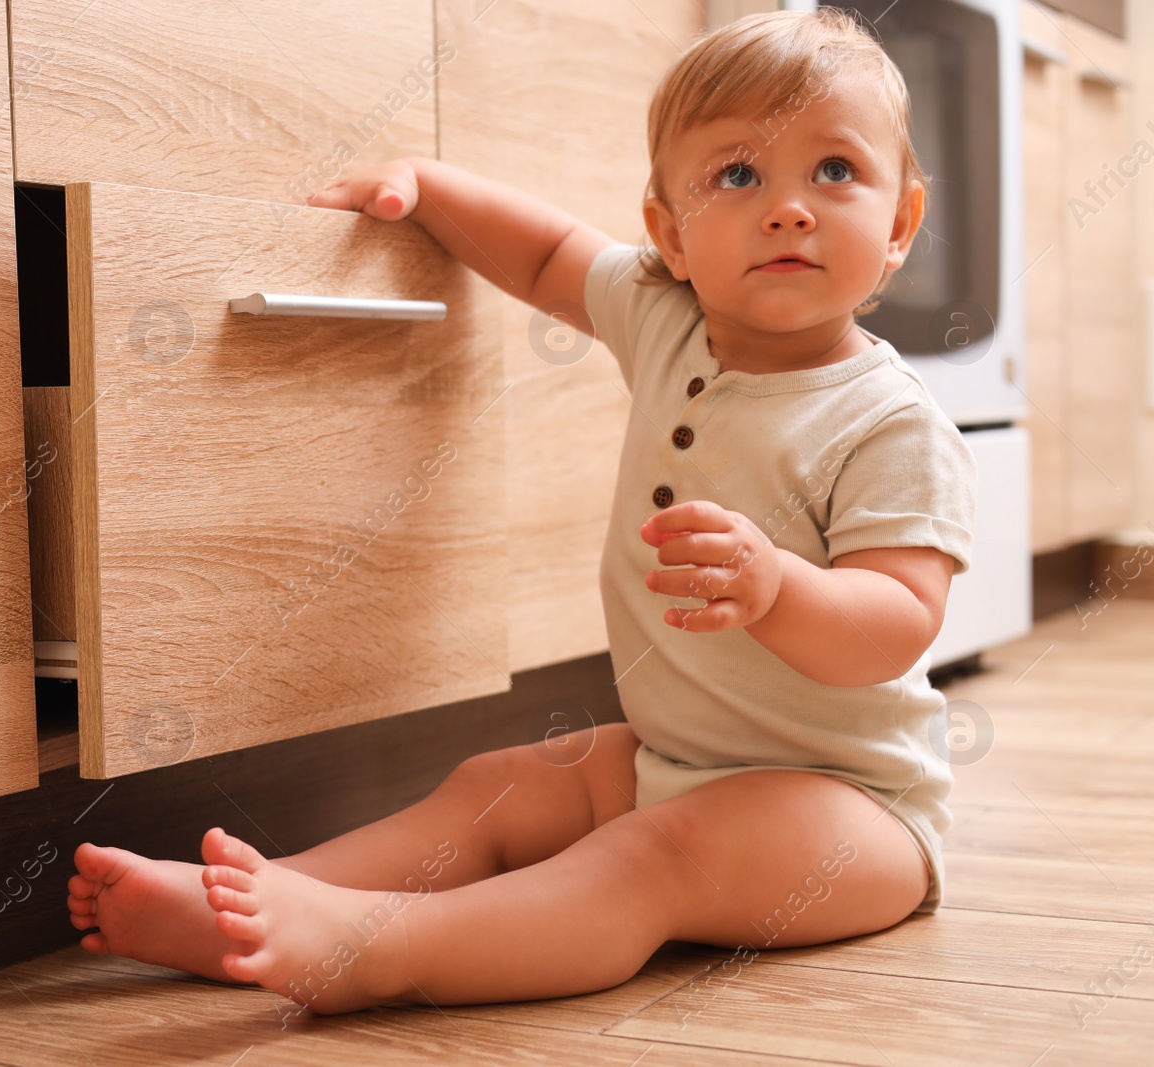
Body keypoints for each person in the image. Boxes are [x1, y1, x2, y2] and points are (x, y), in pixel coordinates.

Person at [66, 8, 975, 1016]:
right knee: (495, 782)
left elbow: (894, 622)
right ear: (669, 234)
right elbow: (544, 255)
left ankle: (376, 950)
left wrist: (775, 585)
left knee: (647, 854)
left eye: (835, 172)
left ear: (899, 222)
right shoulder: (669, 318)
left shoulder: (889, 420)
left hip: (853, 810)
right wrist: (425, 185)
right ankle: (271, 895)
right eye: (737, 175)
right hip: (681, 755)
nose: (789, 209)